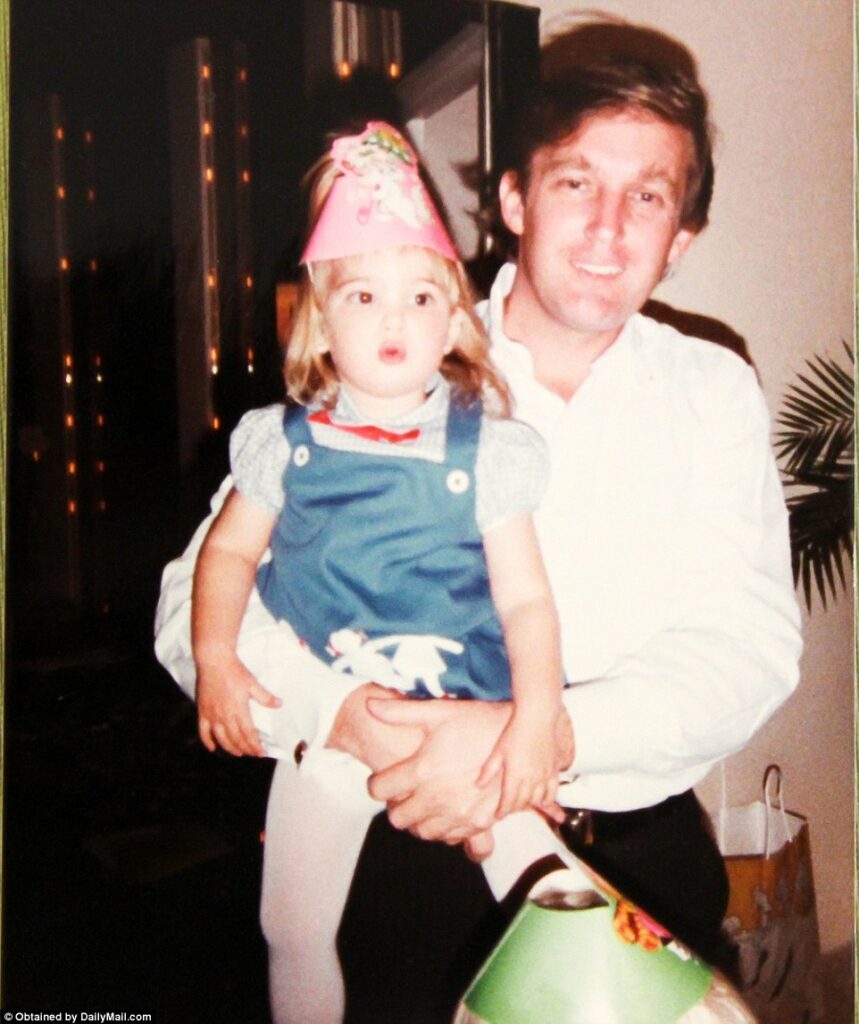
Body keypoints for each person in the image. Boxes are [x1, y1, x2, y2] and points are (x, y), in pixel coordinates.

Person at [156, 54, 801, 1019]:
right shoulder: (394, 347)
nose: (608, 227)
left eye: (647, 196)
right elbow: (191, 603)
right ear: (512, 200)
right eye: (575, 183)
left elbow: (749, 648)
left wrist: (534, 736)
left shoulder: (713, 390)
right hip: (407, 847)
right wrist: (344, 714)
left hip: (639, 852)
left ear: (680, 238)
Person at [185, 121, 588, 1024]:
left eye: (418, 297)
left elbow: (526, 601)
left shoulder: (489, 451)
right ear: (322, 321)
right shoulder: (282, 443)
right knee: (290, 922)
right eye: (363, 296)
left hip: (469, 717)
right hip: (334, 724)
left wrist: (534, 720)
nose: (393, 319)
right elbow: (230, 553)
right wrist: (215, 656)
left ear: (453, 320)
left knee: (548, 898)